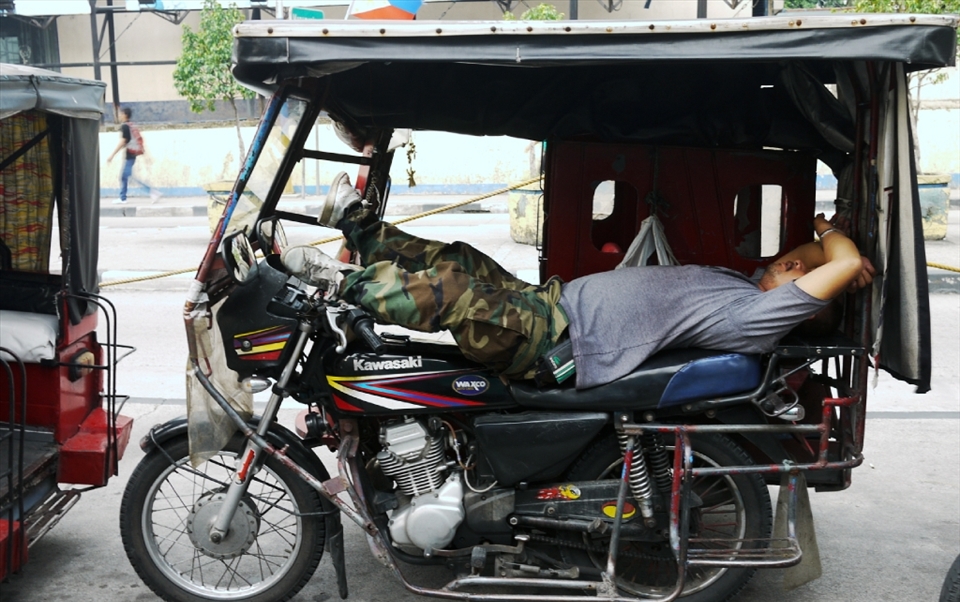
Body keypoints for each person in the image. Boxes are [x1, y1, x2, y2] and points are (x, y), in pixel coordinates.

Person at [281, 173, 873, 390]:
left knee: (452, 293)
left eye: (802, 272)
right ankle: (359, 227)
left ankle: (341, 284)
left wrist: (834, 247)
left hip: (557, 345)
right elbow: (815, 257)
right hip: (551, 305)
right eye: (795, 260)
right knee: (463, 255)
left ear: (800, 300)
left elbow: (840, 264)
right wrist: (822, 238)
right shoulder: (747, 286)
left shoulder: (754, 318)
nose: (792, 262)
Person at [106, 107, 161, 205]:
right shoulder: (131, 125)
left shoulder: (125, 127)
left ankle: (152, 192)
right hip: (132, 154)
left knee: (127, 176)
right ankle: (123, 198)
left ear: (125, 115)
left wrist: (112, 155)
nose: (119, 115)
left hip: (130, 155)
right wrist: (146, 155)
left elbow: (123, 141)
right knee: (125, 176)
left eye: (120, 114)